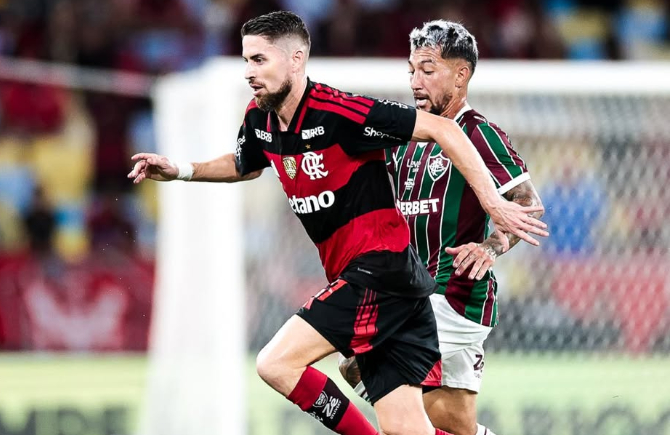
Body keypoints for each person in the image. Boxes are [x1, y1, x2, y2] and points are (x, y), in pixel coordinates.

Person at [128, 11, 547, 435]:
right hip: (408, 283)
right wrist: (182, 169)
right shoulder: (267, 120)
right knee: (431, 425)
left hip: (431, 288)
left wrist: (492, 233)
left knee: (280, 363)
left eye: (259, 60)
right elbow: (246, 163)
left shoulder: (391, 120)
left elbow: (513, 191)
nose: (415, 81)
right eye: (411, 70)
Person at [338, 20, 545, 435]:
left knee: (358, 362)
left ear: (460, 75)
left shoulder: (478, 133)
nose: (415, 82)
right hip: (417, 293)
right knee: (454, 423)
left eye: (428, 70)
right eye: (412, 70)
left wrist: (490, 247)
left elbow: (527, 204)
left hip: (456, 296)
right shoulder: (407, 138)